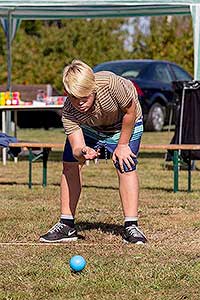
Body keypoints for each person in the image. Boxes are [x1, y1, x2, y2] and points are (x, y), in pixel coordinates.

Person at [40, 59, 147, 244]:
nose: (79, 103)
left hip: (125, 122)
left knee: (126, 164)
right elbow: (76, 148)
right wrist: (83, 151)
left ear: (93, 88)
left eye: (84, 98)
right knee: (69, 165)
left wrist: (122, 145)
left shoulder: (112, 84)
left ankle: (131, 226)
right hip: (91, 127)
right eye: (74, 98)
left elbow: (130, 112)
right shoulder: (69, 112)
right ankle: (66, 225)